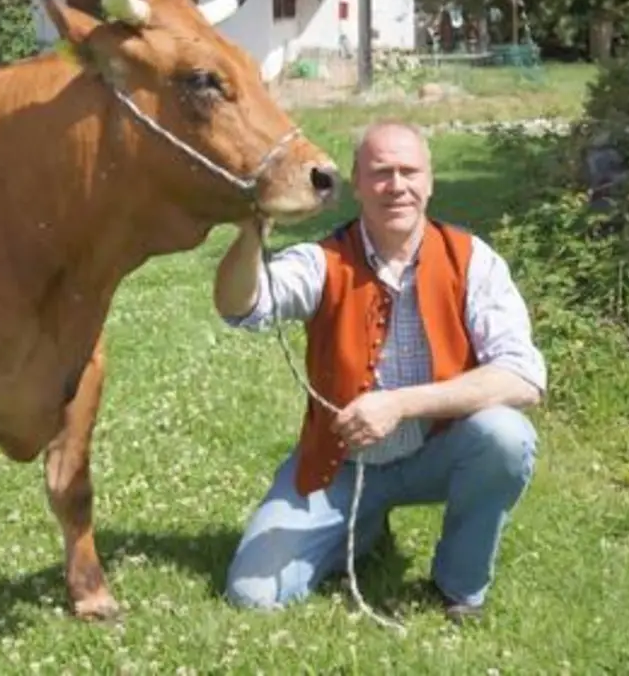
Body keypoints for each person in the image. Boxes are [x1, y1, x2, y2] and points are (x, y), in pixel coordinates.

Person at [212, 120, 547, 623]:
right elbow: (241, 305)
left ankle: (459, 586)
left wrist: (400, 403)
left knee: (505, 436)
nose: (397, 186)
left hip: (439, 449)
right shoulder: (322, 260)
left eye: (409, 172)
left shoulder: (473, 260)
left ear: (430, 181)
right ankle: (363, 525)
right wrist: (250, 230)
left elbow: (523, 377)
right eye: (381, 173)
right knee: (252, 595)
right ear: (358, 184)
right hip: (341, 463)